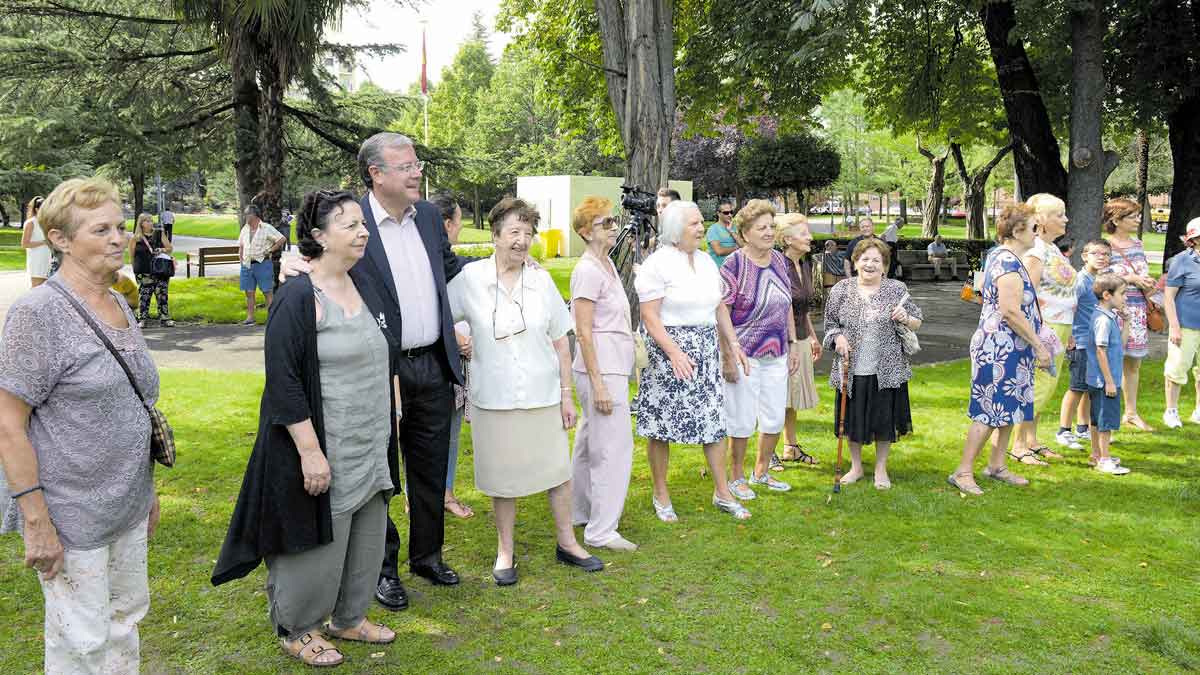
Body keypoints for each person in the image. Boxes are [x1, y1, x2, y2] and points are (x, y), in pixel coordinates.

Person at [282, 133, 474, 610]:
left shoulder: (428, 217)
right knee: (381, 471)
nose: (417, 173)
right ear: (376, 174)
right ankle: (382, 569)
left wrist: (507, 262)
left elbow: (450, 269)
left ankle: (427, 555)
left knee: (430, 468)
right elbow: (318, 262)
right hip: (379, 372)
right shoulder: (353, 224)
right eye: (405, 166)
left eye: (417, 163)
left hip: (433, 361)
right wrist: (290, 263)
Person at [213, 190, 401, 667]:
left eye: (363, 223)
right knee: (317, 539)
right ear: (318, 236)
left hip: (370, 440)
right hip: (322, 443)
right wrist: (310, 451)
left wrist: (393, 405)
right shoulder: (299, 295)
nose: (362, 232)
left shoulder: (367, 283)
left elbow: (387, 349)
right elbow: (284, 380)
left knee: (368, 530)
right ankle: (298, 628)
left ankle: (350, 617)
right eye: (349, 225)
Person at [0, 177, 161, 673]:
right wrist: (36, 522)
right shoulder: (37, 314)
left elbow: (134, 405)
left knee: (123, 622)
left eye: (120, 226)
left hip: (127, 505)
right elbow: (8, 425)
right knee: (81, 641)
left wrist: (147, 491)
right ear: (61, 240)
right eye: (101, 229)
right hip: (72, 516)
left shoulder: (117, 301)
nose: (119, 238)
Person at [448, 197, 604, 586]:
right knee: (503, 478)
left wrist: (567, 393)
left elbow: (561, 340)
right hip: (493, 396)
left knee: (557, 472)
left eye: (528, 233)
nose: (522, 241)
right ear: (496, 235)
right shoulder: (470, 280)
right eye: (514, 232)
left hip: (542, 393)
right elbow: (437, 316)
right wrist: (459, 336)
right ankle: (505, 550)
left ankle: (567, 543)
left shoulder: (541, 280)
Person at [635, 200, 751, 521]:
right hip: (667, 350)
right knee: (661, 426)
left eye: (702, 222)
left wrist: (733, 344)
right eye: (694, 224)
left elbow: (719, 307)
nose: (701, 228)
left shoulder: (705, 262)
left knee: (714, 422)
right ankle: (660, 494)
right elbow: (649, 316)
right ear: (675, 229)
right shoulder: (656, 264)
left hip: (705, 347)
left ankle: (722, 492)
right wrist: (674, 352)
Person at [950, 204, 1051, 495]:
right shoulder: (1006, 262)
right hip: (1000, 350)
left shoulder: (1004, 257)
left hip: (1011, 348)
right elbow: (1010, 311)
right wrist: (1039, 345)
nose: (1038, 233)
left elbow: (986, 298)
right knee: (988, 412)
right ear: (1017, 230)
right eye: (1035, 227)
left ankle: (997, 465)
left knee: (1009, 410)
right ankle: (963, 471)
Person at [823, 239, 922, 490]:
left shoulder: (896, 289)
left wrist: (906, 317)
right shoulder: (841, 290)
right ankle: (856, 467)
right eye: (864, 259)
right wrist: (839, 337)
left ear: (884, 266)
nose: (870, 264)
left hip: (887, 369)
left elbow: (917, 321)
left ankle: (880, 470)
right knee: (852, 419)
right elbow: (830, 326)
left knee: (883, 419)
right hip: (851, 369)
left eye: (876, 260)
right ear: (855, 263)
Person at [568, 197, 637, 551]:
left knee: (589, 440)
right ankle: (601, 530)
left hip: (613, 364)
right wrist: (598, 383)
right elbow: (583, 331)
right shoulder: (587, 270)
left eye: (613, 221)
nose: (613, 227)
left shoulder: (606, 263)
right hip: (601, 369)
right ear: (585, 231)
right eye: (604, 223)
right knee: (612, 447)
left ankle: (580, 511)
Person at [720, 200, 800, 497]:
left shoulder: (779, 260)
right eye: (761, 228)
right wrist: (729, 354)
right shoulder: (734, 264)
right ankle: (736, 477)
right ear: (745, 233)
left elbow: (786, 304)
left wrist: (792, 343)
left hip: (777, 352)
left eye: (771, 227)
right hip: (744, 355)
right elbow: (721, 313)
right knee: (741, 419)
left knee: (775, 417)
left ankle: (761, 473)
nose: (768, 233)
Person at [1008, 194, 1074, 464]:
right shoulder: (1036, 252)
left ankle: (1031, 440)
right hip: (1045, 328)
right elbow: (1028, 295)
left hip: (1061, 327)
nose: (1066, 219)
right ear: (1043, 220)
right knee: (1035, 387)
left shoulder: (1052, 249)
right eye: (1060, 214)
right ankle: (1018, 445)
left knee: (1046, 386)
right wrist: (1038, 335)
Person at [429, 192, 475, 519]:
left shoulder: (449, 262)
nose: (460, 229)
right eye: (459, 222)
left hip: (449, 358)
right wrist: (451, 333)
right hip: (437, 361)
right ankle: (436, 493)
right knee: (440, 431)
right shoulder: (430, 264)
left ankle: (441, 492)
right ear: (447, 224)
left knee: (448, 430)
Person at [1103, 197, 1158, 431]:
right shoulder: (1105, 246)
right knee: (1112, 361)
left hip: (1138, 309)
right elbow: (1101, 279)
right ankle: (1106, 415)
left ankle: (1131, 413)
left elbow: (1142, 272)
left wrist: (1148, 284)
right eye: (1132, 216)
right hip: (1115, 310)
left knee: (1134, 363)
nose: (1138, 219)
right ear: (1116, 219)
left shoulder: (1137, 244)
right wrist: (1132, 279)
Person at [1057, 240, 1111, 458]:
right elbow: (1070, 307)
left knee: (1090, 387)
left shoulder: (1099, 280)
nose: (1101, 257)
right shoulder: (1080, 280)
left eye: (1106, 254)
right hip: (1080, 341)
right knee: (1076, 387)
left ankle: (1082, 427)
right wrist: (1070, 334)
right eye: (1096, 253)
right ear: (1084, 256)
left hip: (1093, 340)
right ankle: (1064, 430)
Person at [776, 214, 821, 467]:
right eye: (804, 234)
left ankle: (790, 448)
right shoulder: (777, 264)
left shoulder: (804, 264)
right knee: (776, 397)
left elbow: (802, 309)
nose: (810, 238)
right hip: (780, 342)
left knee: (791, 399)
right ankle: (768, 453)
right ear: (787, 238)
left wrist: (813, 338)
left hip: (801, 338)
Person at [1085, 273, 1133, 475]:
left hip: (1099, 379)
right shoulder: (1103, 320)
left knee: (1097, 419)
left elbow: (1120, 346)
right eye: (1122, 294)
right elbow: (1100, 351)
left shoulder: (1106, 317)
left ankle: (1097, 454)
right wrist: (1110, 382)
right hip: (1105, 381)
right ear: (1107, 295)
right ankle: (1104, 459)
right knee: (1105, 421)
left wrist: (1127, 322)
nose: (1125, 298)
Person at [1162, 217, 1200, 427]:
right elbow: (1169, 296)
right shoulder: (1181, 260)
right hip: (1185, 324)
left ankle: (1198, 411)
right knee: (1177, 368)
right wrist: (1174, 326)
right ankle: (1171, 411)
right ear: (1194, 239)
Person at [238, 203, 285, 326]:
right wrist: (241, 258)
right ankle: (250, 317)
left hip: (263, 264)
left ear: (253, 215)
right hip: (247, 265)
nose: (245, 217)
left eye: (246, 214)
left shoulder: (266, 227)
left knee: (267, 291)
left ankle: (272, 318)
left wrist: (270, 250)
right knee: (249, 292)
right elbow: (241, 245)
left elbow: (281, 239)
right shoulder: (245, 228)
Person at [129, 212, 175, 328]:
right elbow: (132, 256)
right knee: (144, 295)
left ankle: (165, 318)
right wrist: (136, 270)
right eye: (147, 221)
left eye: (151, 220)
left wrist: (161, 250)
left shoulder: (159, 233)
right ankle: (143, 319)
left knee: (162, 294)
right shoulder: (135, 238)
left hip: (160, 269)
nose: (150, 223)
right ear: (141, 224)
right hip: (143, 271)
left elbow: (170, 248)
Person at [21, 196, 51, 288]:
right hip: (36, 260)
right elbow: (24, 244)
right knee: (36, 287)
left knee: (44, 288)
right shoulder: (31, 223)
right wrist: (44, 242)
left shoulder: (46, 222)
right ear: (37, 209)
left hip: (47, 259)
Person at [706, 198, 739, 267]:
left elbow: (743, 245)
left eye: (731, 212)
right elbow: (719, 251)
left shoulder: (735, 227)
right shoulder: (713, 229)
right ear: (718, 213)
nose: (729, 215)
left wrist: (732, 231)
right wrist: (736, 248)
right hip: (719, 271)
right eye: (726, 213)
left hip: (734, 270)